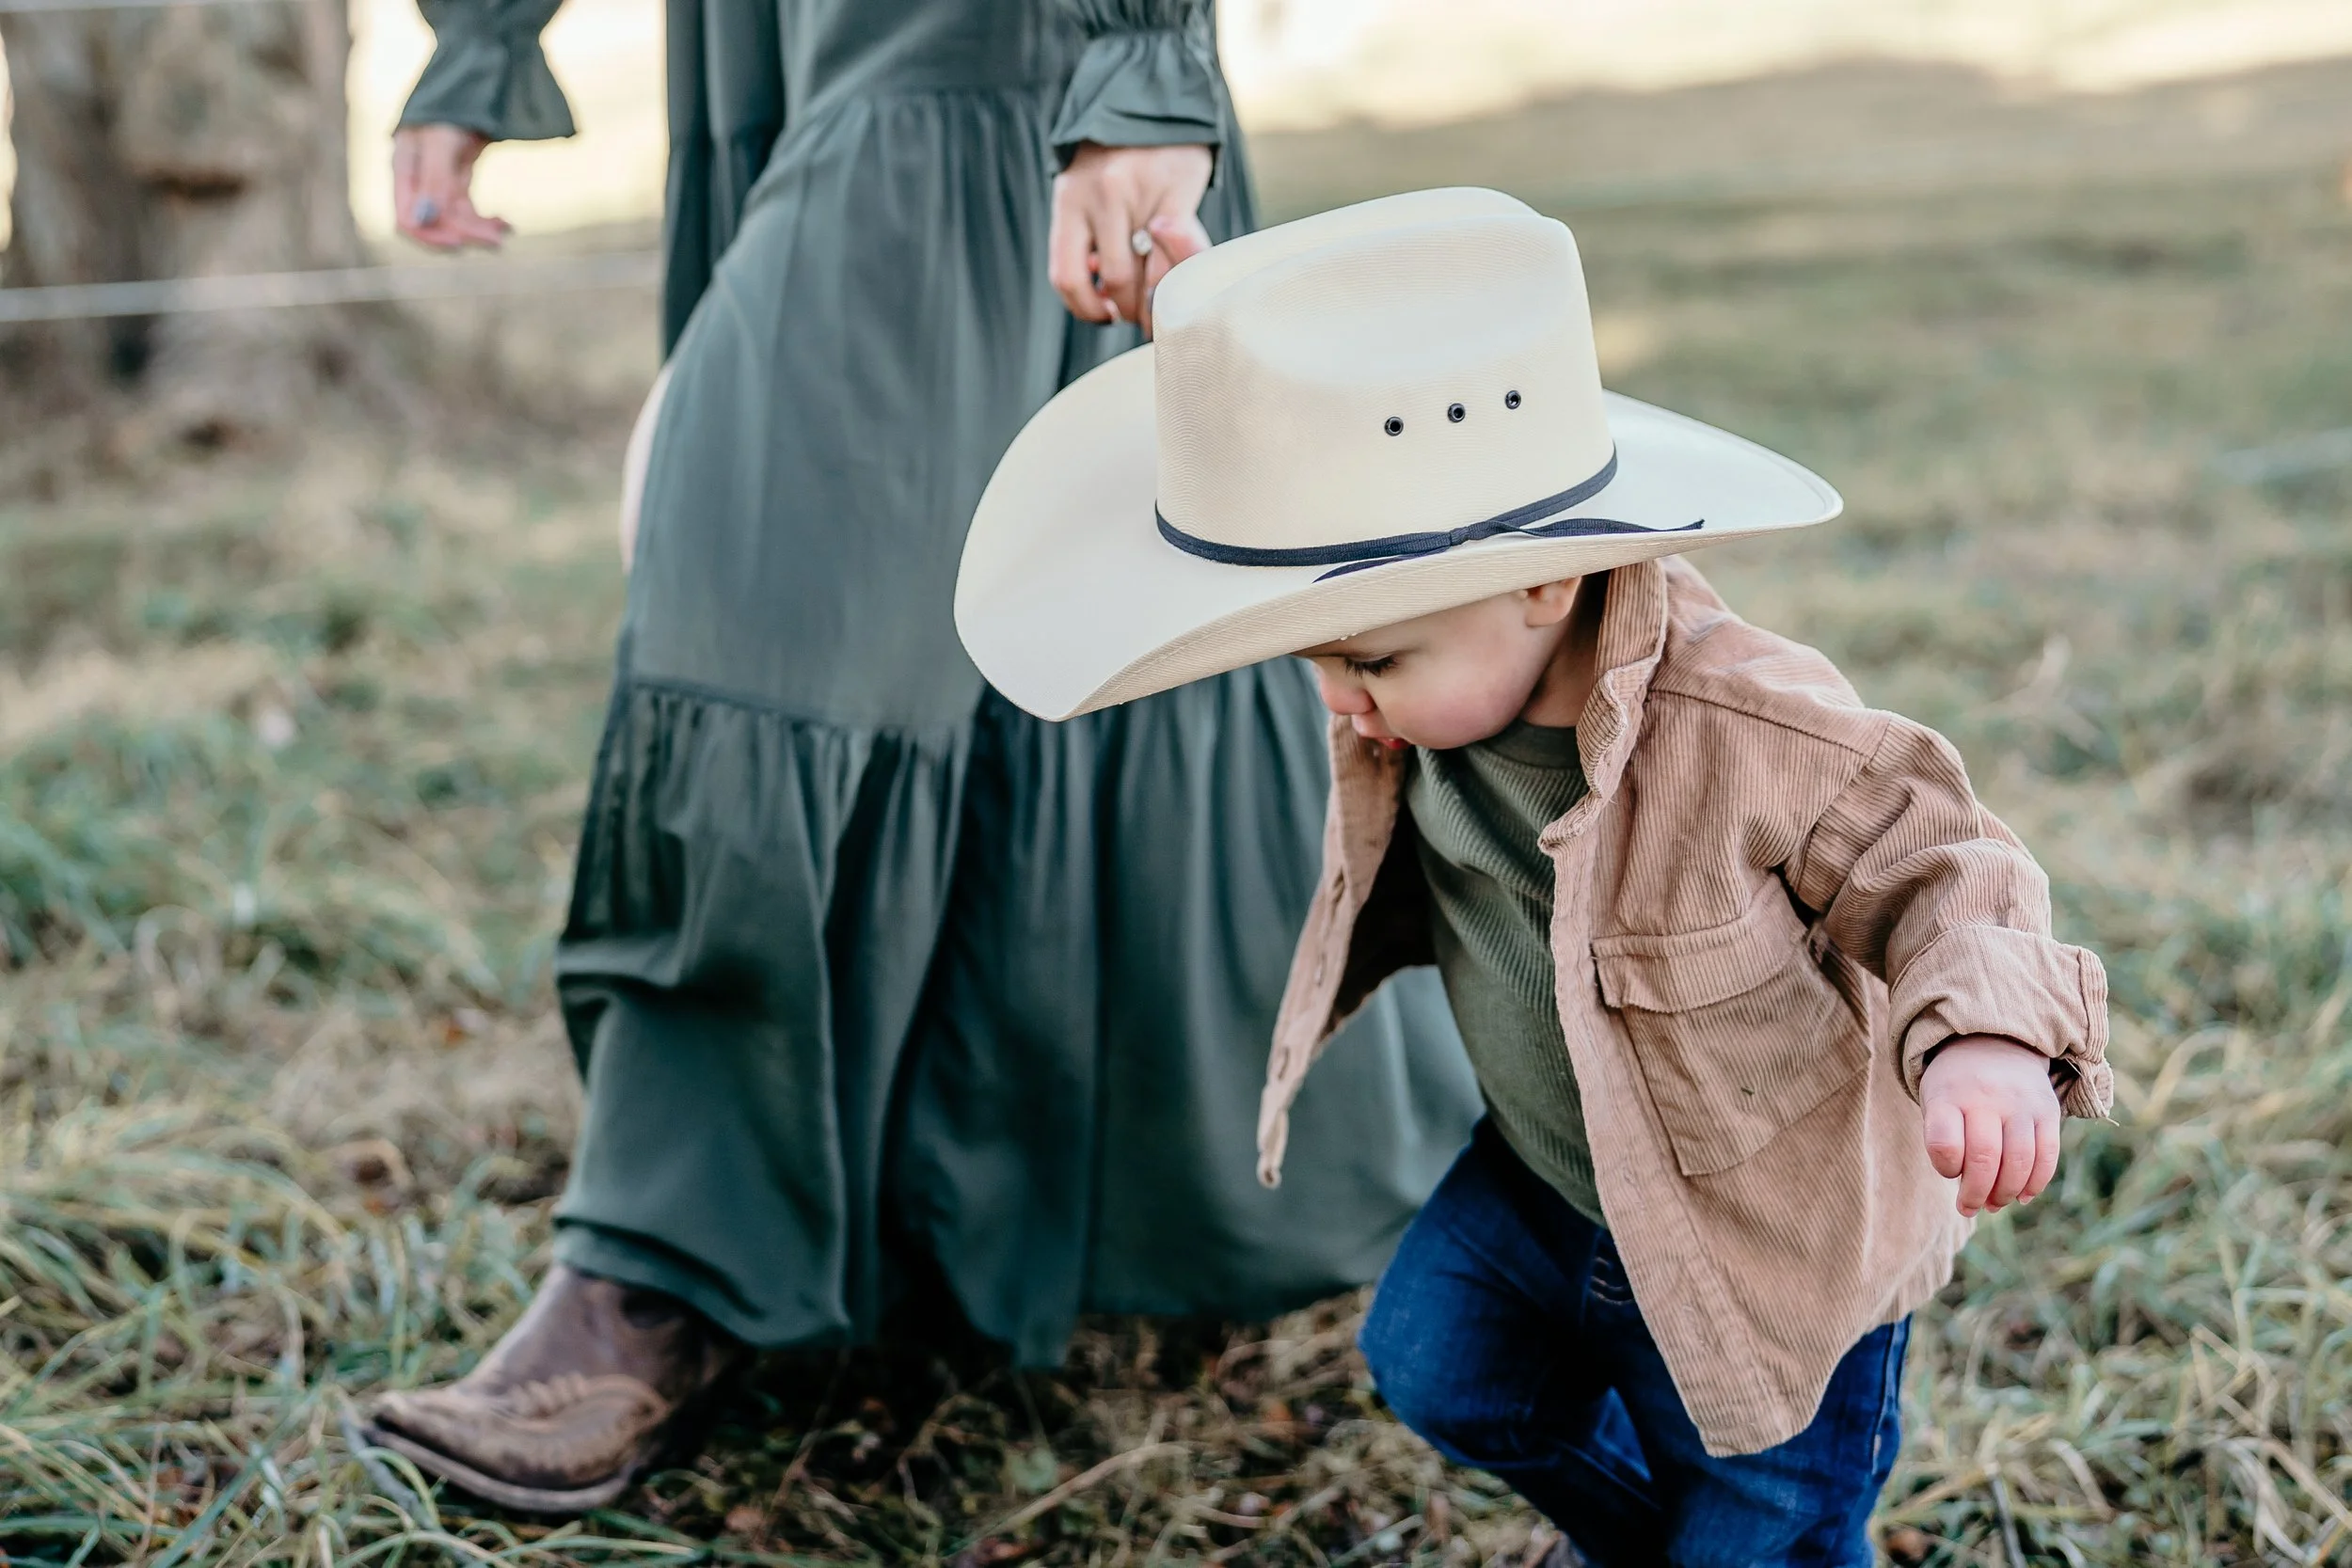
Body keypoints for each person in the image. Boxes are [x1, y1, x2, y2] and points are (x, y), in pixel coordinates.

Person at [361, 0, 1480, 1514]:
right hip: (764, 48)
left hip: (987, 43)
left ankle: (660, 1267)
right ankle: (908, 1234)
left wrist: (1133, 69)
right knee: (998, 598)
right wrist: (484, 32)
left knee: (778, 613)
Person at [956, 187, 2115, 1566]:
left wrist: (1983, 1036)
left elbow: (1949, 860)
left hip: (1774, 1243)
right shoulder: (1439, 689)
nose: (1346, 707)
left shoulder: (1745, 724)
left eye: (1370, 660)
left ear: (1539, 584)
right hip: (1554, 1171)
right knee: (1438, 1360)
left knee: (1766, 1516)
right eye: (1319, 664)